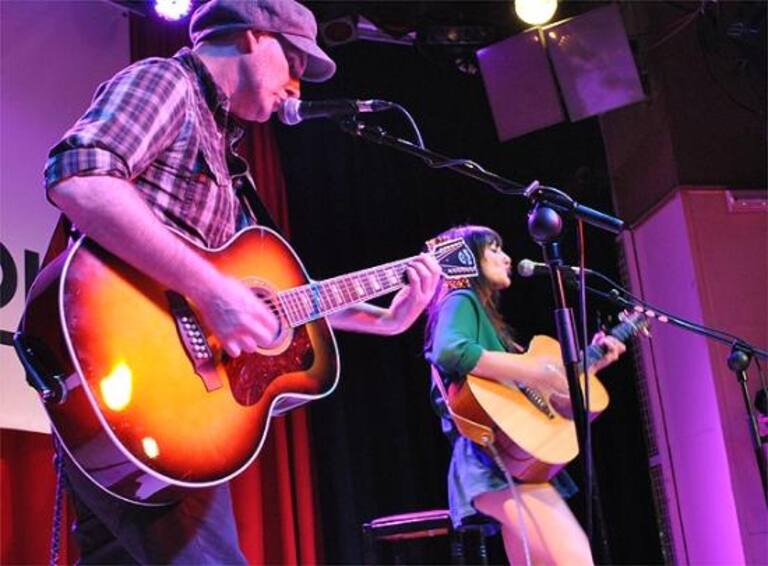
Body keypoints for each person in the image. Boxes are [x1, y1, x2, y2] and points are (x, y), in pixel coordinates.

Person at [42, 0, 441, 562]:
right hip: (136, 378)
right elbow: (79, 175)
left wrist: (383, 319)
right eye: (294, 64)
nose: (296, 87)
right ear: (253, 37)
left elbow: (270, 300)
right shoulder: (168, 83)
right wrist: (210, 291)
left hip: (163, 411)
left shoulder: (231, 161)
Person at [424, 225, 626, 565]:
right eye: (494, 249)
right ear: (468, 260)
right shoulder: (461, 298)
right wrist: (534, 370)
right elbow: (449, 350)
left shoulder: (490, 325)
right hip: (491, 456)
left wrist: (590, 364)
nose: (507, 258)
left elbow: (538, 395)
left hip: (510, 457)